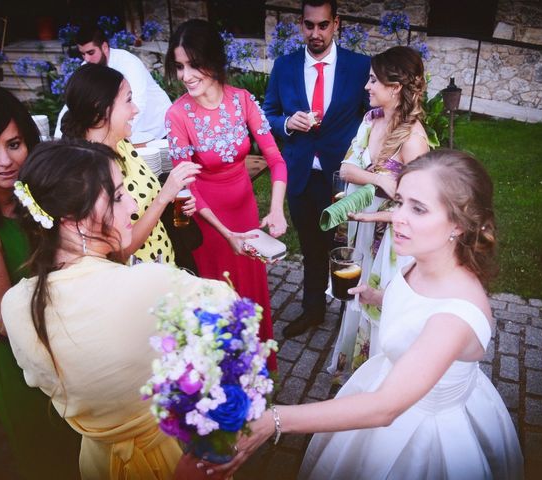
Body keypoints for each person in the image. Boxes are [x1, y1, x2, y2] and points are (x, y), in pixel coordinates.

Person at [214, 150, 525, 479]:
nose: (398, 217)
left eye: (418, 209)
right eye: (400, 201)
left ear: (460, 225)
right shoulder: (420, 257)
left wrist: (274, 419)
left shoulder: (456, 317)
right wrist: (378, 296)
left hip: (425, 433)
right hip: (385, 380)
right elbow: (415, 305)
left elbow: (385, 407)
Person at [1, 139, 236, 479]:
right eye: (118, 196)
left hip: (98, 463)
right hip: (174, 455)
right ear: (74, 221)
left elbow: (41, 379)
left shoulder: (13, 305)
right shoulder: (148, 285)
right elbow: (230, 309)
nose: (132, 207)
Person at [0, 88, 81, 479]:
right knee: (51, 458)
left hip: (66, 341)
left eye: (14, 144)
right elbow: (4, 319)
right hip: (19, 359)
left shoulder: (32, 196)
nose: (5, 161)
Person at [165, 19, 288, 371]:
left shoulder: (243, 100)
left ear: (213, 60)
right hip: (210, 225)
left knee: (252, 294)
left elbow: (276, 160)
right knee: (220, 301)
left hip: (246, 215)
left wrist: (276, 209)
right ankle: (225, 383)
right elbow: (185, 185)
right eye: (179, 66)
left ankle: (260, 376)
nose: (185, 75)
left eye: (193, 64)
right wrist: (225, 233)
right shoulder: (177, 115)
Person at [263, 0, 370, 338]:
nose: (316, 33)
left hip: (344, 176)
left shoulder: (359, 66)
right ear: (301, 25)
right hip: (302, 174)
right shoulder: (285, 66)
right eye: (309, 25)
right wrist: (285, 123)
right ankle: (313, 310)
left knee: (349, 247)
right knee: (311, 246)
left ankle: (352, 309)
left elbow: (373, 115)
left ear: (335, 24)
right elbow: (267, 114)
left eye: (323, 25)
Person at [328, 46, 430, 381]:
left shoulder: (414, 140)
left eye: (374, 80)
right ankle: (359, 374)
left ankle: (382, 379)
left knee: (381, 307)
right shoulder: (370, 120)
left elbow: (417, 208)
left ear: (396, 87)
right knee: (359, 297)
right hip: (366, 227)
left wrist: (371, 180)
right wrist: (378, 180)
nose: (366, 86)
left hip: (391, 238)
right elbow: (346, 167)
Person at [61, 63, 200, 264]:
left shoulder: (123, 144)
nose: (135, 110)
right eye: (128, 101)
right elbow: (119, 253)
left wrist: (174, 200)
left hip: (165, 265)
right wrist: (164, 197)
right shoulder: (88, 171)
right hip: (138, 281)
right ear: (100, 108)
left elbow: (148, 199)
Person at [54, 23, 172, 140]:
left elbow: (138, 102)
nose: (87, 59)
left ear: (104, 47)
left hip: (158, 126)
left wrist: (116, 138)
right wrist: (58, 140)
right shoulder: (88, 67)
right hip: (129, 132)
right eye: (83, 54)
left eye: (91, 53)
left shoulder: (128, 62)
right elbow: (73, 105)